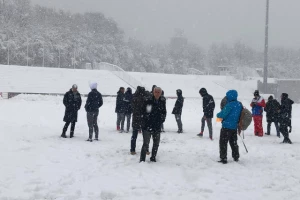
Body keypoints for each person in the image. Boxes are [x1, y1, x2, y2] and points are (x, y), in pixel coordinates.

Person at [140, 87, 166, 162]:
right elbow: (143, 111)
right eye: (156, 92)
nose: (157, 93)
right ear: (153, 92)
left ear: (161, 93)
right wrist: (146, 120)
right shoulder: (148, 100)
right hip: (147, 126)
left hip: (157, 126)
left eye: (159, 92)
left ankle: (153, 157)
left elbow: (164, 112)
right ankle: (142, 159)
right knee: (146, 144)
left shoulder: (162, 101)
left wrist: (162, 120)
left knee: (156, 144)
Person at [217, 90, 242, 164]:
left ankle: (223, 158)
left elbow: (221, 115)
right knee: (233, 142)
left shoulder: (229, 105)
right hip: (234, 127)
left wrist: (218, 115)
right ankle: (236, 156)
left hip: (226, 127)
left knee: (223, 143)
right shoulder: (239, 104)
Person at [130, 86, 145, 155]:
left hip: (135, 118)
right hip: (143, 118)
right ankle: (146, 149)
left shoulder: (134, 97)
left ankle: (132, 149)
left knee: (134, 135)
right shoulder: (144, 98)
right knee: (145, 136)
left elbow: (132, 107)